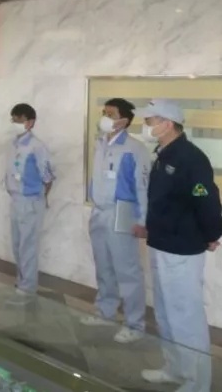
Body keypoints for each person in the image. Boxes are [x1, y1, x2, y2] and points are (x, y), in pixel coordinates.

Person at [136, 99, 220, 391]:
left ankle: (197, 383)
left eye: (150, 121)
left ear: (168, 124)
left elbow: (206, 200)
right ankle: (174, 369)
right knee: (165, 313)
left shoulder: (190, 158)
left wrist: (212, 233)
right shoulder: (163, 154)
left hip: (182, 248)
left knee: (186, 317)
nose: (146, 126)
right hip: (161, 243)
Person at [82, 98, 148, 344]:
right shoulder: (100, 142)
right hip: (99, 211)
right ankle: (105, 311)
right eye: (104, 112)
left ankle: (135, 324)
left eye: (110, 114)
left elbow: (142, 187)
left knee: (127, 270)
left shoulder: (134, 148)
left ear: (124, 120)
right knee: (104, 265)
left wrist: (142, 220)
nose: (105, 117)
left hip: (122, 212)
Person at [6, 103, 54, 299]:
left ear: (30, 122)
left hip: (31, 201)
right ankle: (21, 280)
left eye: (19, 119)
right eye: (14, 119)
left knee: (28, 246)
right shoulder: (14, 144)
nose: (15, 123)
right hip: (16, 200)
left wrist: (40, 197)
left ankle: (28, 287)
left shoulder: (37, 146)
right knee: (17, 244)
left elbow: (48, 177)